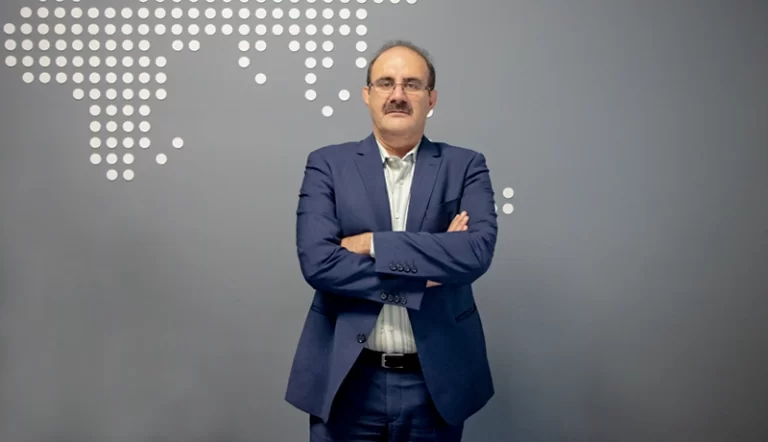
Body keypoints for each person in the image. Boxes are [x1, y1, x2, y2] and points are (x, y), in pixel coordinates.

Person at [285, 40, 498, 442]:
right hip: (348, 380)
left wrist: (371, 243)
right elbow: (319, 263)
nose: (398, 94)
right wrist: (426, 273)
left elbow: (475, 253)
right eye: (386, 83)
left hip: (436, 382)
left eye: (412, 84)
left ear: (431, 98)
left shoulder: (466, 165)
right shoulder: (327, 164)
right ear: (367, 95)